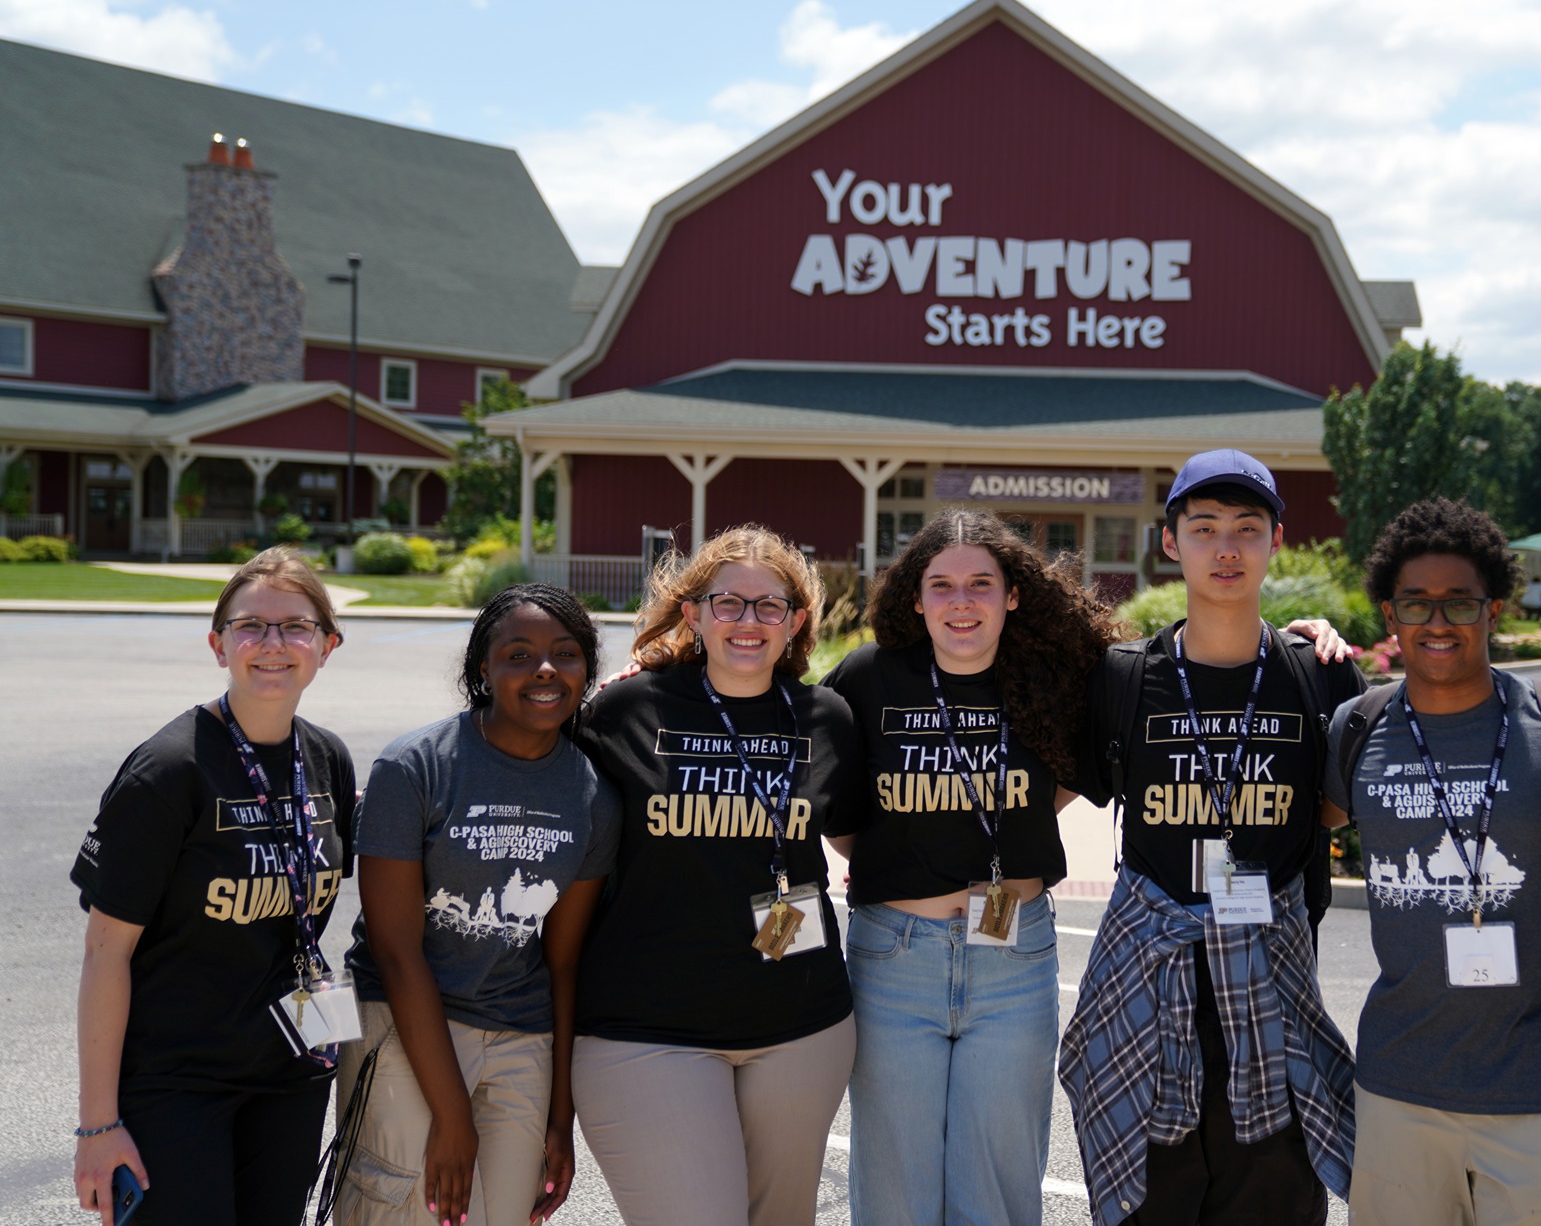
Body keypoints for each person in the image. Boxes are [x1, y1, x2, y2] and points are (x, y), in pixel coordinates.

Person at [1060, 449, 1366, 1226]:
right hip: (1150, 997)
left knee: (1272, 1202)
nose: (1225, 548)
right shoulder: (1125, 677)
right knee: (1151, 1207)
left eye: (1246, 528)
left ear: (1275, 541)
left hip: (1272, 995)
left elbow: (1333, 807)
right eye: (1203, 528)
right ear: (1171, 544)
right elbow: (1043, 792)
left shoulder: (1318, 675)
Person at [1325, 499, 1541, 1224]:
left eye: (1459, 603)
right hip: (1398, 1088)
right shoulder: (1358, 729)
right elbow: (1285, 832)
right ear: (1389, 616)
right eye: (1417, 603)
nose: (1437, 622)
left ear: (1493, 610)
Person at [820, 510, 1122, 1226]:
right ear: (915, 598)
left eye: (981, 584)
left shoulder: (1048, 680)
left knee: (999, 1185)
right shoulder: (870, 677)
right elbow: (828, 790)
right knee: (895, 1186)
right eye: (942, 585)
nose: (962, 602)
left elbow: (1060, 783)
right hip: (895, 958)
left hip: (1013, 959)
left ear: (1012, 594)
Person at [566, 526, 863, 1226]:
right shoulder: (626, 710)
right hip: (646, 1029)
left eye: (770, 606)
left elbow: (867, 840)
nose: (748, 622)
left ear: (796, 621)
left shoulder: (826, 718)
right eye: (727, 603)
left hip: (801, 1026)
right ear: (692, 613)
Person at [71, 547, 357, 1225]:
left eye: (296, 626)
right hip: (176, 1080)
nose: (272, 644)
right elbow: (104, 954)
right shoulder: (169, 771)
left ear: (327, 645)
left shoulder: (326, 760)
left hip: (289, 1072)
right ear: (217, 643)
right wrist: (96, 1126)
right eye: (250, 626)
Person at [335, 584, 618, 1226]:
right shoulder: (414, 768)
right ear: (482, 670)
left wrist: (560, 1116)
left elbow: (562, 964)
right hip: (407, 1026)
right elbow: (395, 951)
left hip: (522, 1039)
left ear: (585, 671)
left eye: (565, 654)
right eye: (518, 654)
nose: (544, 669)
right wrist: (452, 1115)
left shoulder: (593, 795)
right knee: (403, 1212)